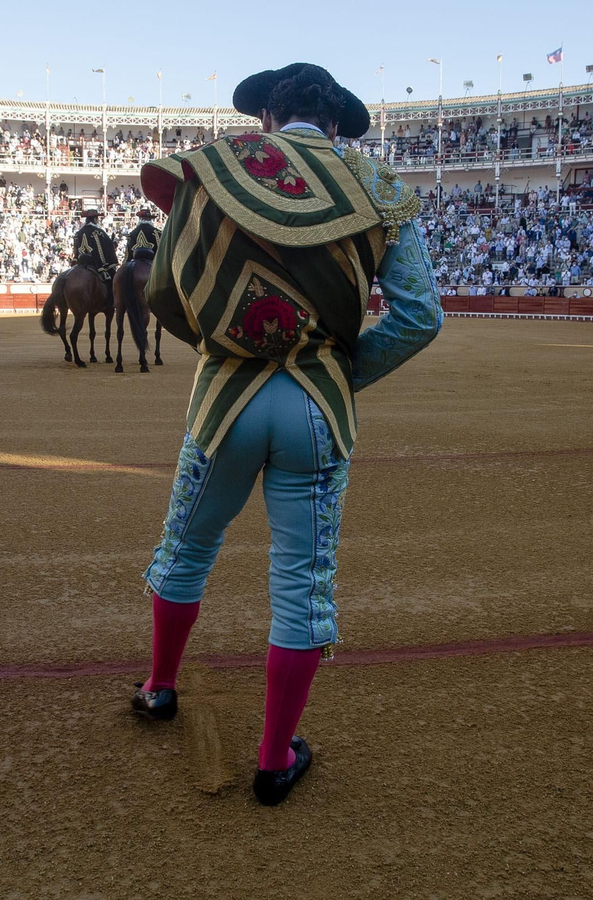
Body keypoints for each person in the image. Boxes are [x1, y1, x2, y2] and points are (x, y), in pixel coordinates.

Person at [131, 63, 441, 806]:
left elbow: (164, 291)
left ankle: (159, 687)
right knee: (302, 587)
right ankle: (274, 759)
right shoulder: (379, 187)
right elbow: (420, 315)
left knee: (188, 547)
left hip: (226, 401)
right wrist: (338, 371)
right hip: (315, 409)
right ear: (335, 125)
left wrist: (226, 343)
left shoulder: (220, 167)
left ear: (268, 119)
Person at [72, 208, 117, 278]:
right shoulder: (99, 232)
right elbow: (108, 246)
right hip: (95, 262)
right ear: (95, 219)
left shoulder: (78, 233)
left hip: (80, 261)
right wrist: (113, 244)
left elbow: (75, 249)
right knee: (112, 277)